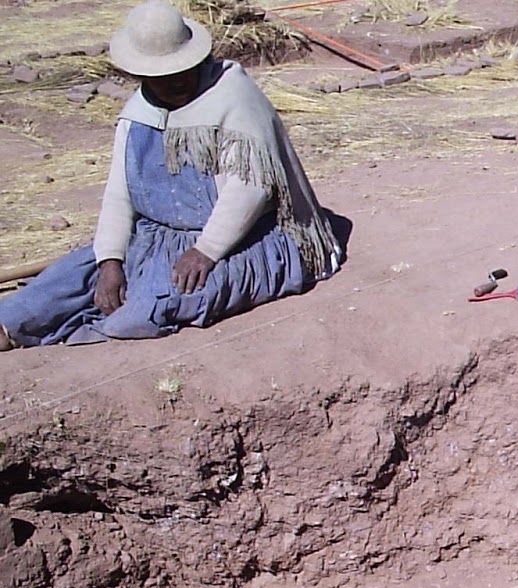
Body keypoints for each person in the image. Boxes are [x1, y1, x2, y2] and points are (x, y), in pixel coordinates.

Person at [0, 1, 340, 352]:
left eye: (183, 70)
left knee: (155, 302)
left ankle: (86, 333)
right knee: (72, 277)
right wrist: (111, 260)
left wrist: (206, 251)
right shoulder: (136, 114)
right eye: (163, 76)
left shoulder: (235, 97)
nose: (176, 81)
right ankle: (10, 326)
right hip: (157, 236)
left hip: (243, 237)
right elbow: (120, 192)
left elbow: (250, 188)